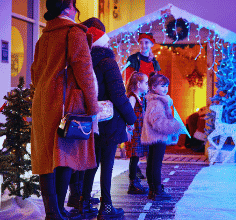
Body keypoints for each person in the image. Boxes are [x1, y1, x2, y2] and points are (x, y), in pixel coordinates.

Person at [30, 1, 99, 219]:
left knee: (47, 156)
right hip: (65, 103)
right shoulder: (74, 32)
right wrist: (93, 107)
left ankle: (54, 212)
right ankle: (56, 211)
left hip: (42, 102)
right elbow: (85, 73)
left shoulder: (44, 37)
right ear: (69, 7)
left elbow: (35, 73)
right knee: (65, 154)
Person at [73, 18, 133, 219]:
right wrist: (131, 118)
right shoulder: (108, 62)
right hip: (109, 121)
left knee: (92, 162)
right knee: (107, 164)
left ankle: (83, 202)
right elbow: (118, 94)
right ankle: (106, 208)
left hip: (90, 119)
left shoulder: (83, 59)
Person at [140, 74, 184, 201]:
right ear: (153, 87)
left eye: (166, 86)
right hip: (157, 136)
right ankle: (156, 190)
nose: (165, 89)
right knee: (155, 164)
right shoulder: (156, 102)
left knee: (152, 162)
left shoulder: (157, 100)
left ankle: (153, 190)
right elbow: (157, 122)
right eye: (162, 86)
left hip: (155, 136)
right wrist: (174, 125)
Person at [123, 73, 150, 195]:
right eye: (146, 83)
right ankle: (133, 183)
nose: (147, 85)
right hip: (134, 132)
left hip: (139, 132)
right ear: (138, 84)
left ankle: (135, 181)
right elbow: (129, 112)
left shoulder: (140, 97)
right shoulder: (133, 97)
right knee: (134, 157)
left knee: (136, 157)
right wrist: (129, 127)